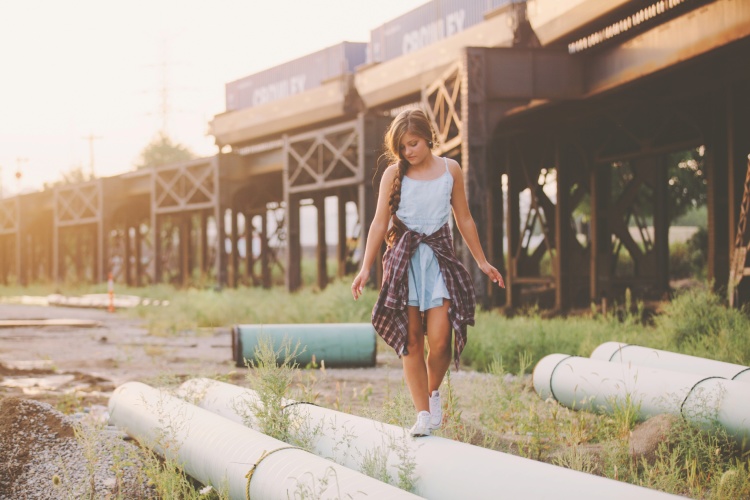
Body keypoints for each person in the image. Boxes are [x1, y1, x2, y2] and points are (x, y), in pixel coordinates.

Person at [351, 108, 505, 437]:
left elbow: (464, 219)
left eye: (414, 144)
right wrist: (365, 267)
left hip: (438, 259)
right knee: (411, 343)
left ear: (428, 138)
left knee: (441, 339)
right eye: (403, 147)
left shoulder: (452, 169)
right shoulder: (393, 174)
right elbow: (379, 222)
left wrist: (482, 261)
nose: (409, 152)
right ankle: (422, 413)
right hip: (403, 260)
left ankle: (433, 393)